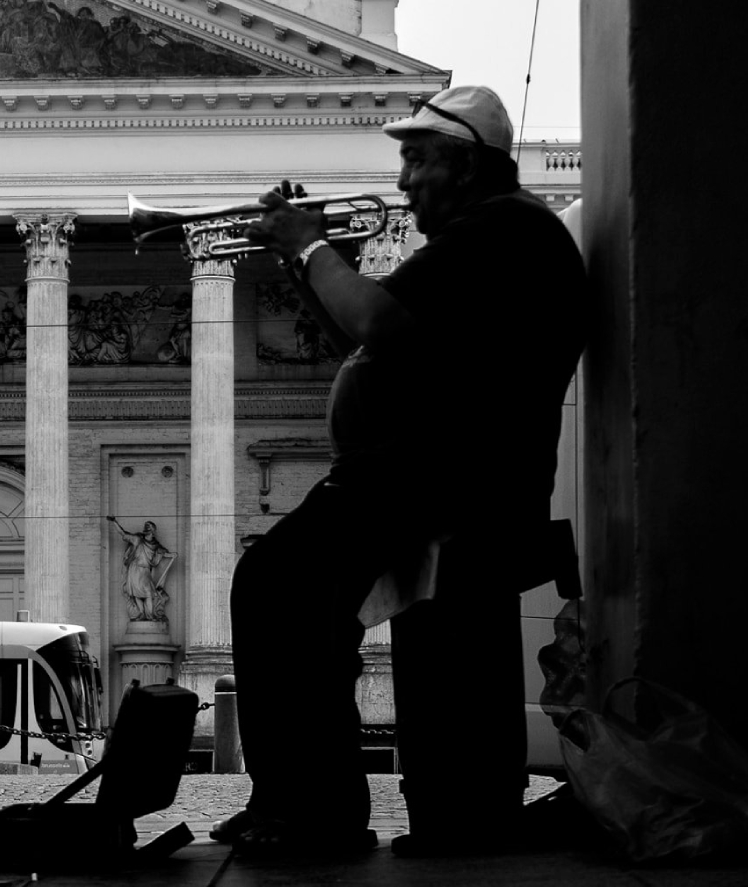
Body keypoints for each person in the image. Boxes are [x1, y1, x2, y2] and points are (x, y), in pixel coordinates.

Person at [219, 84, 586, 859]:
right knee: (344, 613)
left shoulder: (499, 229)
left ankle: (313, 810)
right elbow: (369, 340)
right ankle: (384, 810)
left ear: (465, 164)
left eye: (417, 160)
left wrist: (311, 246)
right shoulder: (494, 235)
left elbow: (377, 320)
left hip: (430, 476)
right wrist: (300, 259)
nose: (402, 180)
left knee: (277, 583)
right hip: (438, 477)